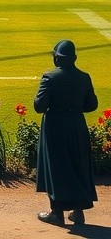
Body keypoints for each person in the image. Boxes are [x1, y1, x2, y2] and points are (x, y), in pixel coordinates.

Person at [34, 39, 98, 227]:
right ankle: (77, 213)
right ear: (74, 58)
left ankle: (56, 213)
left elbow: (39, 106)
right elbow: (92, 104)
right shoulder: (84, 77)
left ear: (56, 58)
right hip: (77, 125)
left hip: (55, 125)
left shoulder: (50, 77)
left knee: (56, 167)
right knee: (78, 165)